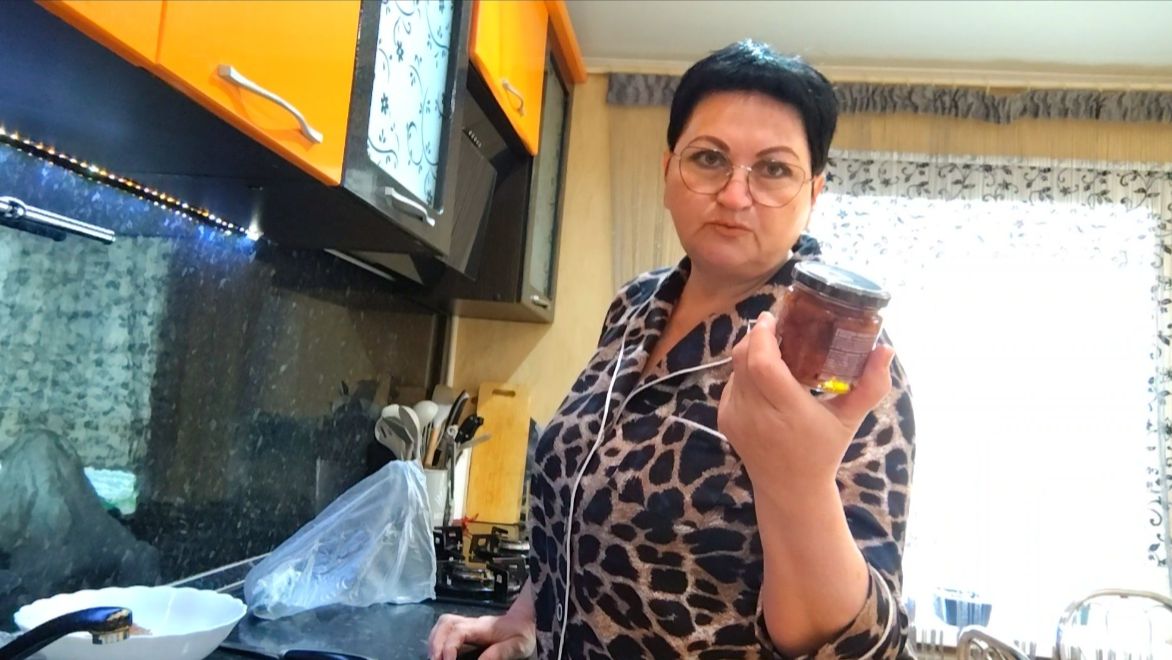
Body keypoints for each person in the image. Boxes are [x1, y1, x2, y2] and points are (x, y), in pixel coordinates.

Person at [429, 39, 916, 660]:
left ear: (813, 192)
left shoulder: (837, 356)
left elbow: (861, 645)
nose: (735, 196)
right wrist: (527, 618)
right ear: (667, 172)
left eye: (774, 170)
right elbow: (579, 502)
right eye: (709, 158)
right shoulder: (635, 305)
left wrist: (797, 484)